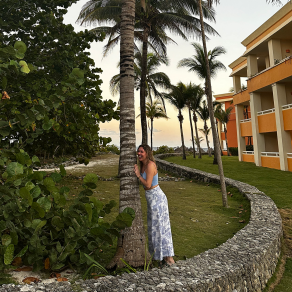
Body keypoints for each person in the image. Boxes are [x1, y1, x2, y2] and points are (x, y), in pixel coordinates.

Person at [134, 144, 175, 266]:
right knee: (154, 229)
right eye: (138, 152)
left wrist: (138, 175)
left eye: (141, 152)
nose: (139, 154)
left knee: (161, 228)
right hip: (151, 200)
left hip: (157, 199)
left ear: (147, 152)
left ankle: (169, 258)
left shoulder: (151, 165)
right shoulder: (143, 165)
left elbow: (147, 184)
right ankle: (158, 256)